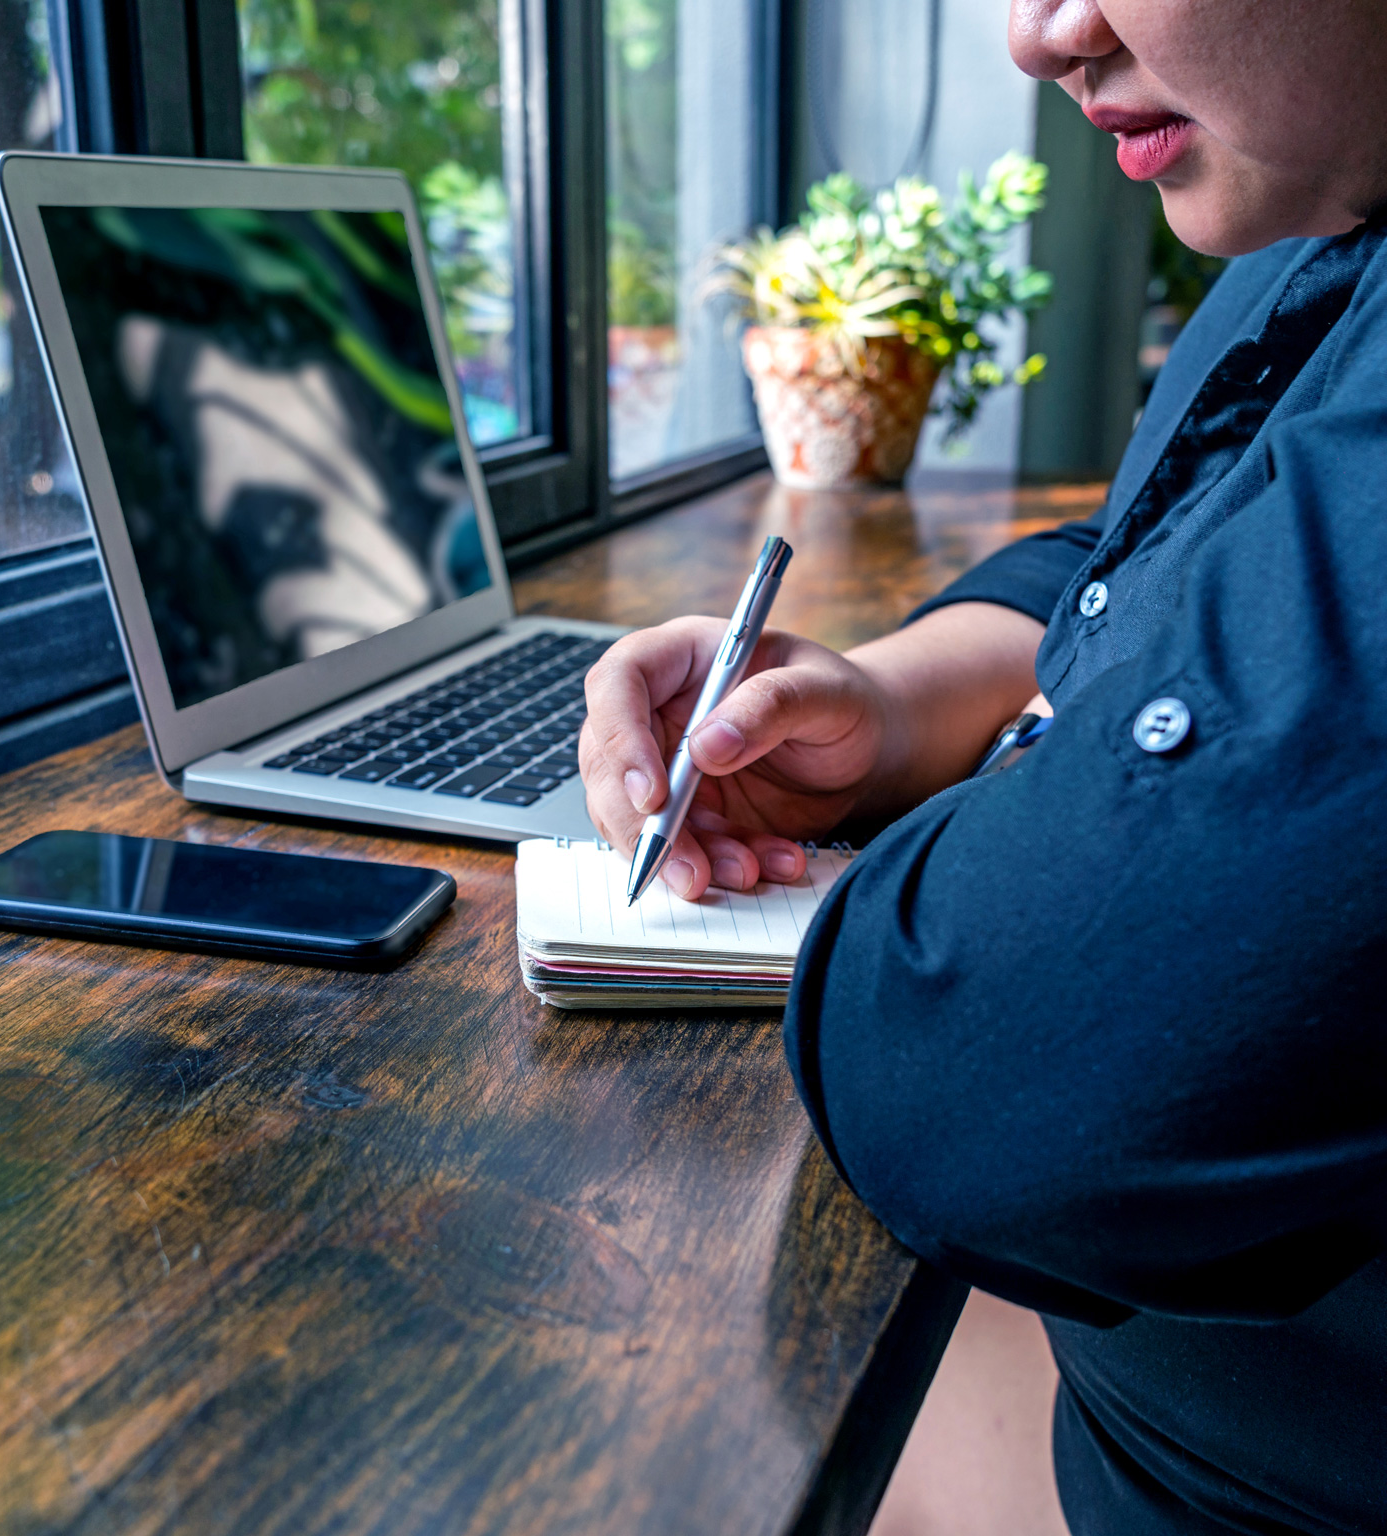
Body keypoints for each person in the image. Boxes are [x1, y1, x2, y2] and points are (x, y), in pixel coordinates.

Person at [578, 1, 1387, 1531]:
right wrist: (884, 702)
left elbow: (995, 1075)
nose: (1038, 34)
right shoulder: (1314, 213)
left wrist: (976, 826)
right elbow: (1134, 553)